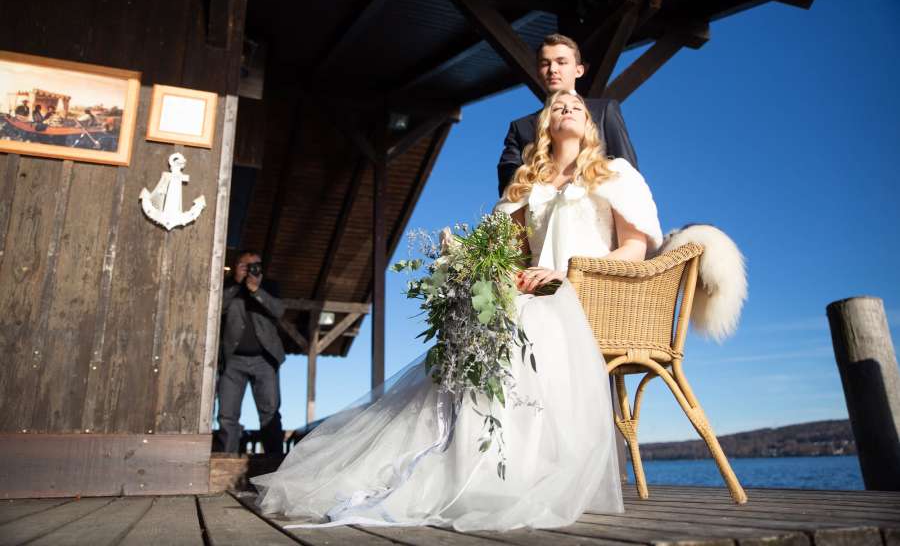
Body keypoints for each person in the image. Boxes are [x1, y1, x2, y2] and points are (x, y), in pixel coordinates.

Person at [252, 91, 663, 531]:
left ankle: (515, 469)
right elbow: (511, 253)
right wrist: (481, 265)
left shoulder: (614, 175)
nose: (568, 107)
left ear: (591, 125)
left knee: (525, 324)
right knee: (481, 324)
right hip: (535, 290)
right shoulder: (530, 186)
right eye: (558, 106)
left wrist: (567, 274)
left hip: (588, 293)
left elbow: (633, 249)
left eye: (577, 106)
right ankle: (462, 461)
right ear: (545, 124)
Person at [497, 33, 639, 197]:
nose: (553, 69)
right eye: (545, 63)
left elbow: (629, 173)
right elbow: (508, 189)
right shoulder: (520, 127)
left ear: (579, 70)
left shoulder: (604, 111)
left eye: (561, 62)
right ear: (538, 72)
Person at [217, 250, 287, 455]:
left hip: (265, 359)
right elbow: (216, 308)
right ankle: (226, 460)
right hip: (233, 361)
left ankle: (274, 461)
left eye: (255, 266)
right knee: (227, 415)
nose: (251, 270)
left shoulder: (269, 286)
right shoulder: (227, 286)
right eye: (245, 266)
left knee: (270, 413)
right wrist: (236, 283)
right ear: (237, 267)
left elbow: (279, 310)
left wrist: (256, 290)